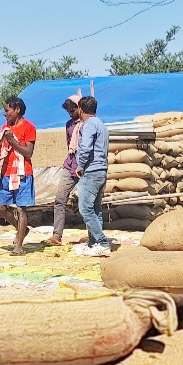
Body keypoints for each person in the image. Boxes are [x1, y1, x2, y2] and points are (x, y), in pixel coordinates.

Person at [0, 96, 37, 256]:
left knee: (21, 209)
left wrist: (13, 141)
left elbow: (28, 152)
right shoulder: (5, 127)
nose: (5, 114)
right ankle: (21, 229)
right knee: (0, 208)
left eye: (7, 110)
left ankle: (19, 246)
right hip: (6, 173)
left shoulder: (29, 127)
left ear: (17, 110)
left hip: (23, 174)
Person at [73, 96, 111, 257]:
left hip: (91, 171)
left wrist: (80, 166)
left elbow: (86, 147)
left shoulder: (88, 125)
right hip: (101, 170)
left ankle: (102, 242)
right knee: (96, 209)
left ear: (81, 110)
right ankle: (95, 243)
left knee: (85, 209)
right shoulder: (101, 124)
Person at [46, 95, 83, 246]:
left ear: (80, 108)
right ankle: (57, 235)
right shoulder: (69, 125)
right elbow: (69, 145)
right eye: (68, 111)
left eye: (73, 110)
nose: (70, 113)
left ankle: (94, 236)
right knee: (60, 200)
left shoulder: (88, 125)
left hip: (84, 168)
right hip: (70, 165)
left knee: (87, 203)